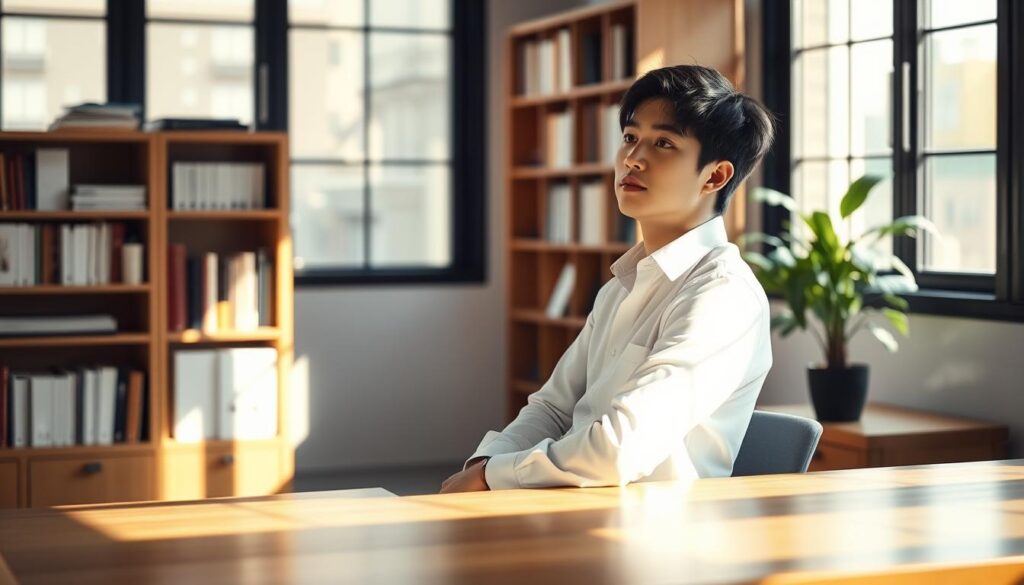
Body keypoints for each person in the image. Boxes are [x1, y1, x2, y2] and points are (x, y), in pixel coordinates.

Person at [441, 64, 776, 493]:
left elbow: (620, 449)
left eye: (664, 143)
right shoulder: (622, 284)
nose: (633, 158)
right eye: (631, 138)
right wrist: (487, 463)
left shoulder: (722, 295)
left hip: (656, 536)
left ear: (714, 176)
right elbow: (553, 408)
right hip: (576, 508)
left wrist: (493, 477)